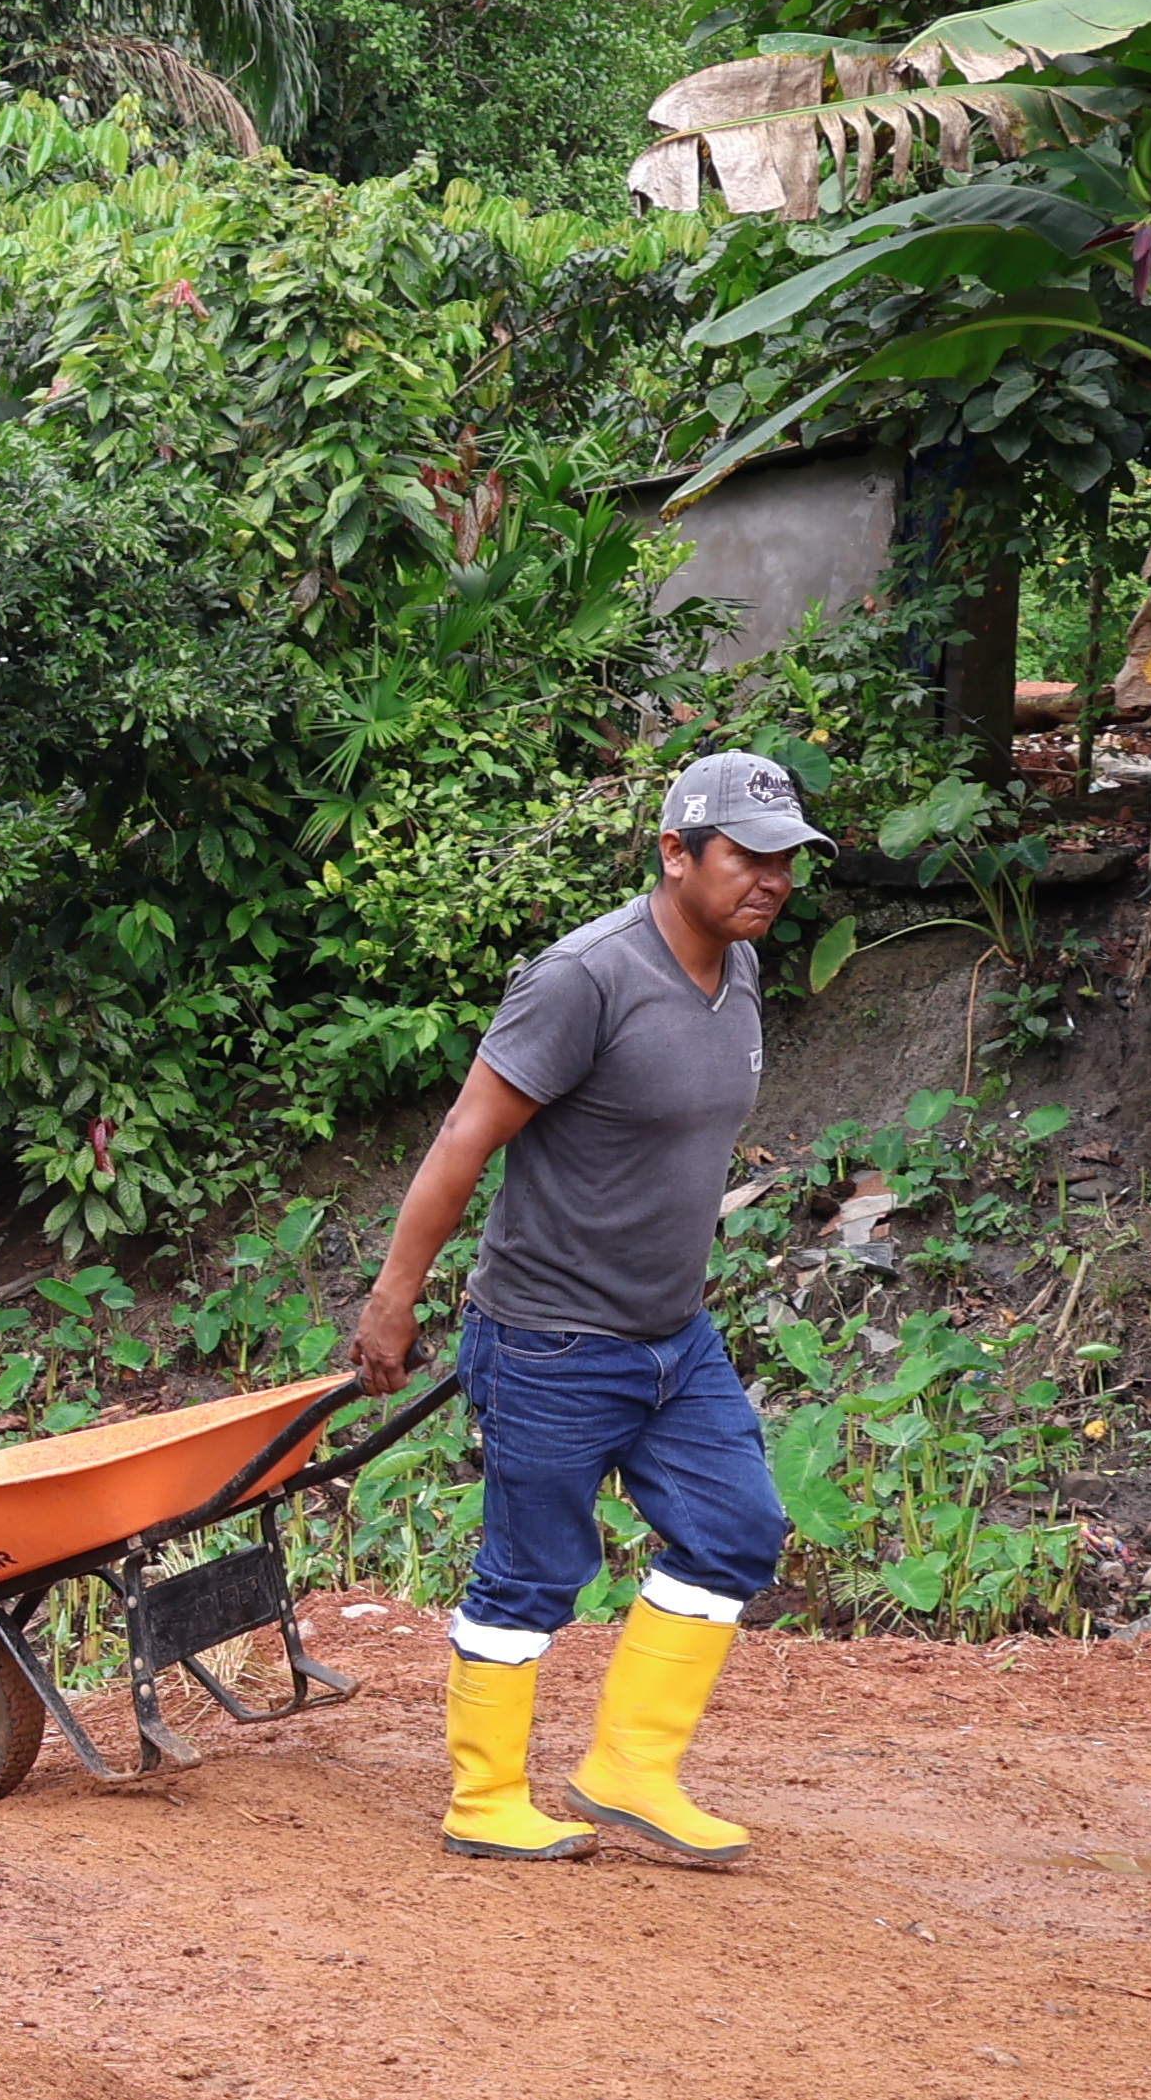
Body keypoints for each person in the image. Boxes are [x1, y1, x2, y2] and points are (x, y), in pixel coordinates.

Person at [344, 750, 811, 1870]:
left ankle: (629, 1769)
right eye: (748, 855)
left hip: (672, 1337)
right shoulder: (584, 977)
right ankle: (485, 1794)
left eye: (787, 860)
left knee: (737, 1529)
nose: (772, 880)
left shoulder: (736, 968)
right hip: (552, 1338)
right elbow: (465, 1138)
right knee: (532, 1569)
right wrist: (391, 1302)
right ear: (676, 851)